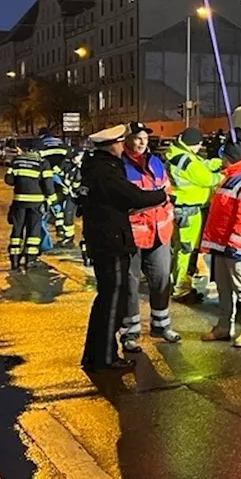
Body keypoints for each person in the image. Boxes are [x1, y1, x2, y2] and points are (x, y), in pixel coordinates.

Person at [79, 124, 168, 372]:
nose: (123, 146)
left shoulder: (97, 166)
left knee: (107, 300)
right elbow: (132, 196)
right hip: (111, 242)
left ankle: (96, 354)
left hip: (105, 239)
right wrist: (160, 196)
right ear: (112, 145)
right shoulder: (105, 170)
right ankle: (105, 357)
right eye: (121, 142)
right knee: (112, 301)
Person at [120, 122, 179, 348]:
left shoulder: (155, 162)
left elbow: (167, 192)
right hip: (133, 234)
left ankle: (161, 324)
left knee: (162, 277)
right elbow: (127, 201)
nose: (142, 142)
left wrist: (169, 212)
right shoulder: (120, 166)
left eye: (145, 138)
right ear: (127, 140)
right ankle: (130, 332)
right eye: (137, 138)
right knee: (130, 282)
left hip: (159, 231)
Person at [202, 140, 241, 348]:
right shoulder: (231, 179)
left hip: (237, 249)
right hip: (223, 246)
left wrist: (235, 244)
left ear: (230, 158)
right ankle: (223, 327)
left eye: (224, 156)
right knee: (224, 289)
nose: (221, 159)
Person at [166, 127, 223, 302]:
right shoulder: (186, 160)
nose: (200, 148)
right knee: (186, 251)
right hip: (189, 211)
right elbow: (206, 179)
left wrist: (216, 163)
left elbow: (201, 164)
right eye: (199, 145)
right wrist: (224, 176)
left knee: (182, 250)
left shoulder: (179, 153)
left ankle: (178, 283)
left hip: (186, 210)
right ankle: (180, 289)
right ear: (194, 144)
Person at [4, 139, 58, 271]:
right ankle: (30, 260)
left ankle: (14, 260)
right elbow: (48, 186)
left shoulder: (16, 161)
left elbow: (9, 180)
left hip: (19, 202)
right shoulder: (42, 163)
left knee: (17, 230)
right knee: (33, 232)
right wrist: (53, 200)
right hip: (36, 203)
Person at [38, 130, 70, 243]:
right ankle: (60, 227)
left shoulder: (40, 143)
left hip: (47, 174)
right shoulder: (60, 142)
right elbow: (68, 156)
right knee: (60, 201)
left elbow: (39, 160)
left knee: (49, 200)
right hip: (59, 174)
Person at [56, 148, 86, 256]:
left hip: (82, 197)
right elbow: (62, 175)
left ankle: (85, 243)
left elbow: (78, 183)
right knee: (67, 216)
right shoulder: (68, 165)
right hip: (71, 196)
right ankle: (68, 238)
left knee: (87, 220)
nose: (75, 158)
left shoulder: (84, 167)